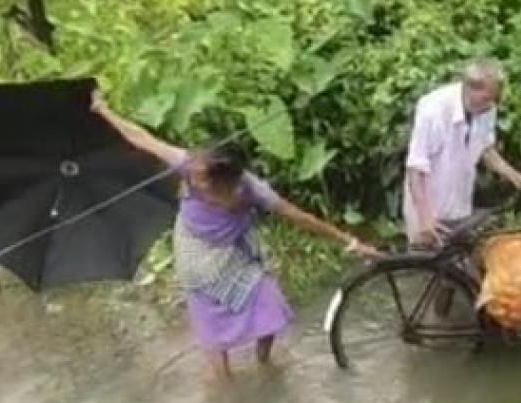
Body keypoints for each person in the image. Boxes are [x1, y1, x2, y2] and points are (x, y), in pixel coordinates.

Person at [92, 91, 379, 381]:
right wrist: (104, 110)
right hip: (195, 250)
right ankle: (223, 380)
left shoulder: (251, 189)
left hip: (232, 247)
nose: (194, 177)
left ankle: (264, 362)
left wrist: (350, 241)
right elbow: (140, 138)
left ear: (226, 180)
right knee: (209, 316)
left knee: (268, 300)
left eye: (203, 177)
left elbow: (299, 217)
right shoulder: (188, 165)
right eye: (195, 172)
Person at [403, 58, 521, 248]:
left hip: (459, 204)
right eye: (487, 98)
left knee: (457, 269)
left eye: (494, 99)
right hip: (429, 205)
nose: (491, 105)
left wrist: (516, 177)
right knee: (426, 267)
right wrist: (425, 217)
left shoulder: (486, 107)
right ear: (470, 88)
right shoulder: (433, 109)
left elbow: (485, 148)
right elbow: (415, 168)